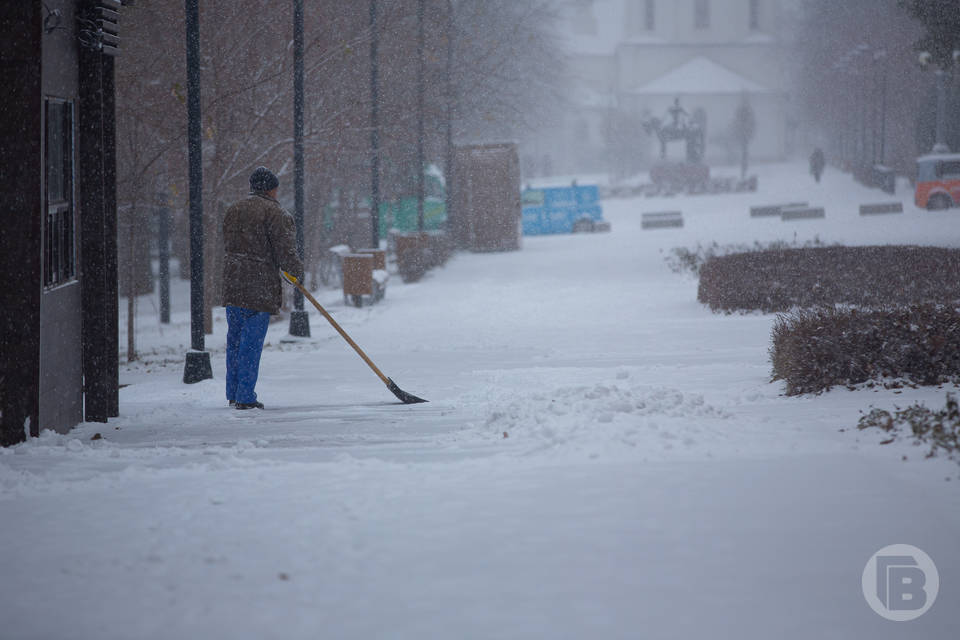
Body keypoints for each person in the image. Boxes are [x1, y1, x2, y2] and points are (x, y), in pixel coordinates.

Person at [221, 166, 303, 410]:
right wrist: (296, 273)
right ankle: (245, 396)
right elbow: (285, 250)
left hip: (233, 282)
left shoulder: (233, 210)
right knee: (251, 343)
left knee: (235, 339)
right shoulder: (275, 213)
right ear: (271, 189)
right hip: (258, 285)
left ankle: (233, 392)